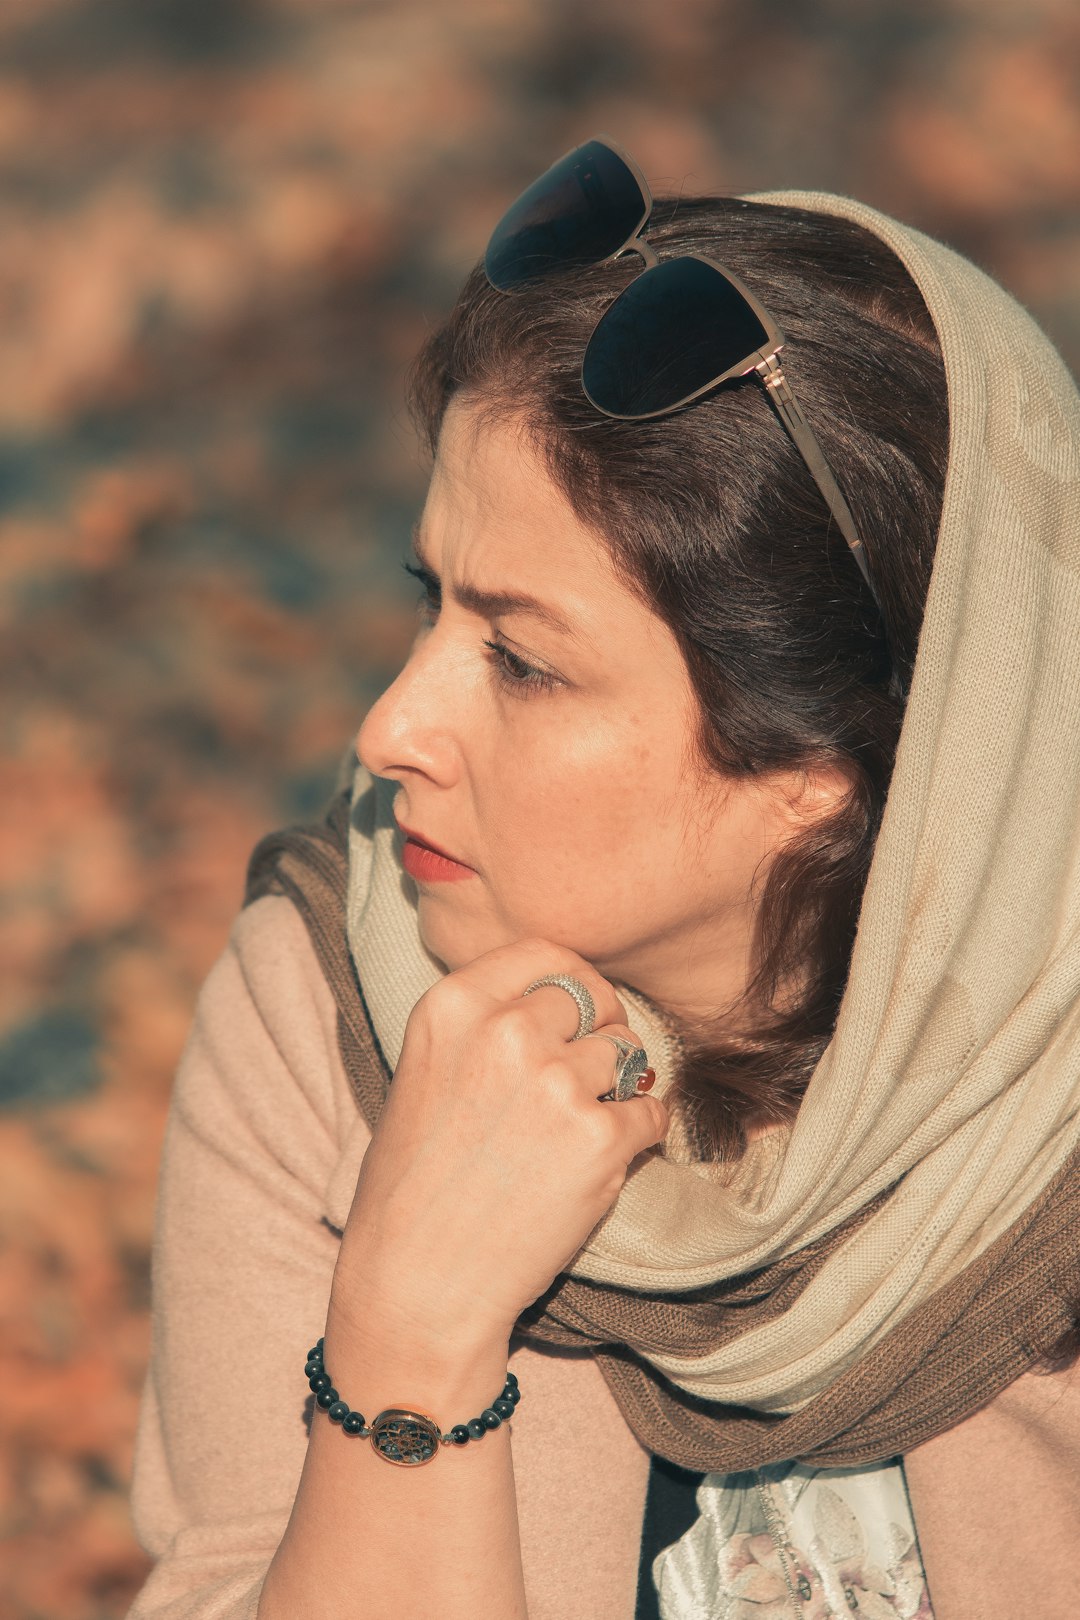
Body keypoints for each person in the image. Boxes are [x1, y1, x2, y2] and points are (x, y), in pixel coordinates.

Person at [127, 139, 1080, 1620]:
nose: (388, 730)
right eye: (429, 602)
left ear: (822, 765)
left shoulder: (1050, 1109)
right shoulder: (327, 1013)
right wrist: (411, 1329)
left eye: (522, 659)